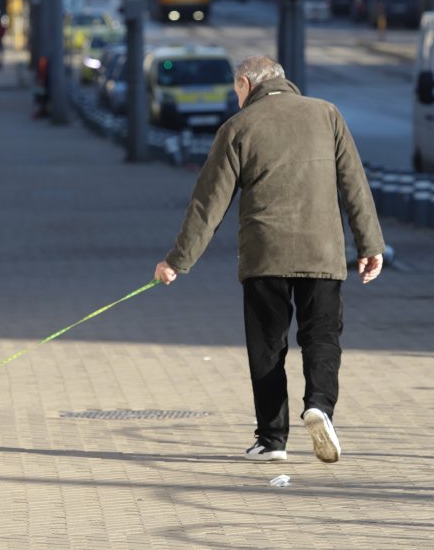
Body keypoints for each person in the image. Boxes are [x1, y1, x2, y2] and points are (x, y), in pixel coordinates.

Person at [153, 55, 385, 464]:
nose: (235, 95)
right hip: (322, 252)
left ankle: (271, 439)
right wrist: (370, 246)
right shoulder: (326, 114)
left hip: (265, 254)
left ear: (246, 84)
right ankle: (320, 406)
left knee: (266, 347)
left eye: (235, 88)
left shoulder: (238, 127)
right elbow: (354, 184)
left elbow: (209, 203)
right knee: (322, 337)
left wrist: (177, 260)